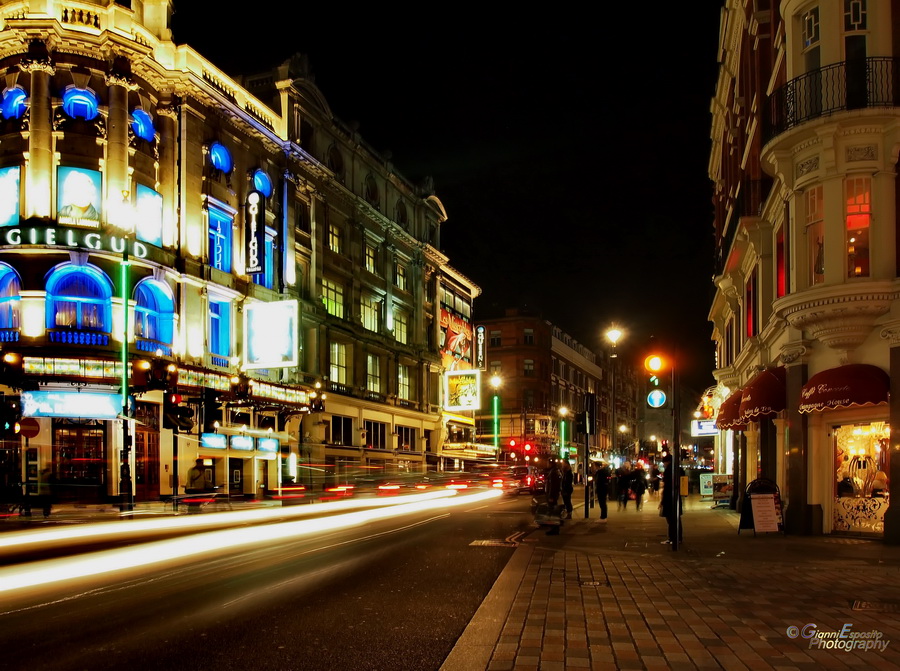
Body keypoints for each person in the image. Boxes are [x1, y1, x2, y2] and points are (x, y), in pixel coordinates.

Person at [660, 454, 684, 545]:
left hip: (670, 498)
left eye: (664, 463)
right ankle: (678, 537)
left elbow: (667, 486)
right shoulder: (678, 469)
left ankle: (673, 538)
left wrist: (662, 500)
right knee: (676, 518)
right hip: (676, 497)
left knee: (671, 519)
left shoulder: (669, 470)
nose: (664, 464)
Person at [544, 458, 562, 535]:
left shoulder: (553, 472)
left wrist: (551, 496)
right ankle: (554, 528)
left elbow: (553, 486)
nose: (547, 464)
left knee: (552, 512)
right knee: (554, 512)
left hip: (552, 495)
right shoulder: (556, 471)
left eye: (548, 463)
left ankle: (554, 529)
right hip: (554, 495)